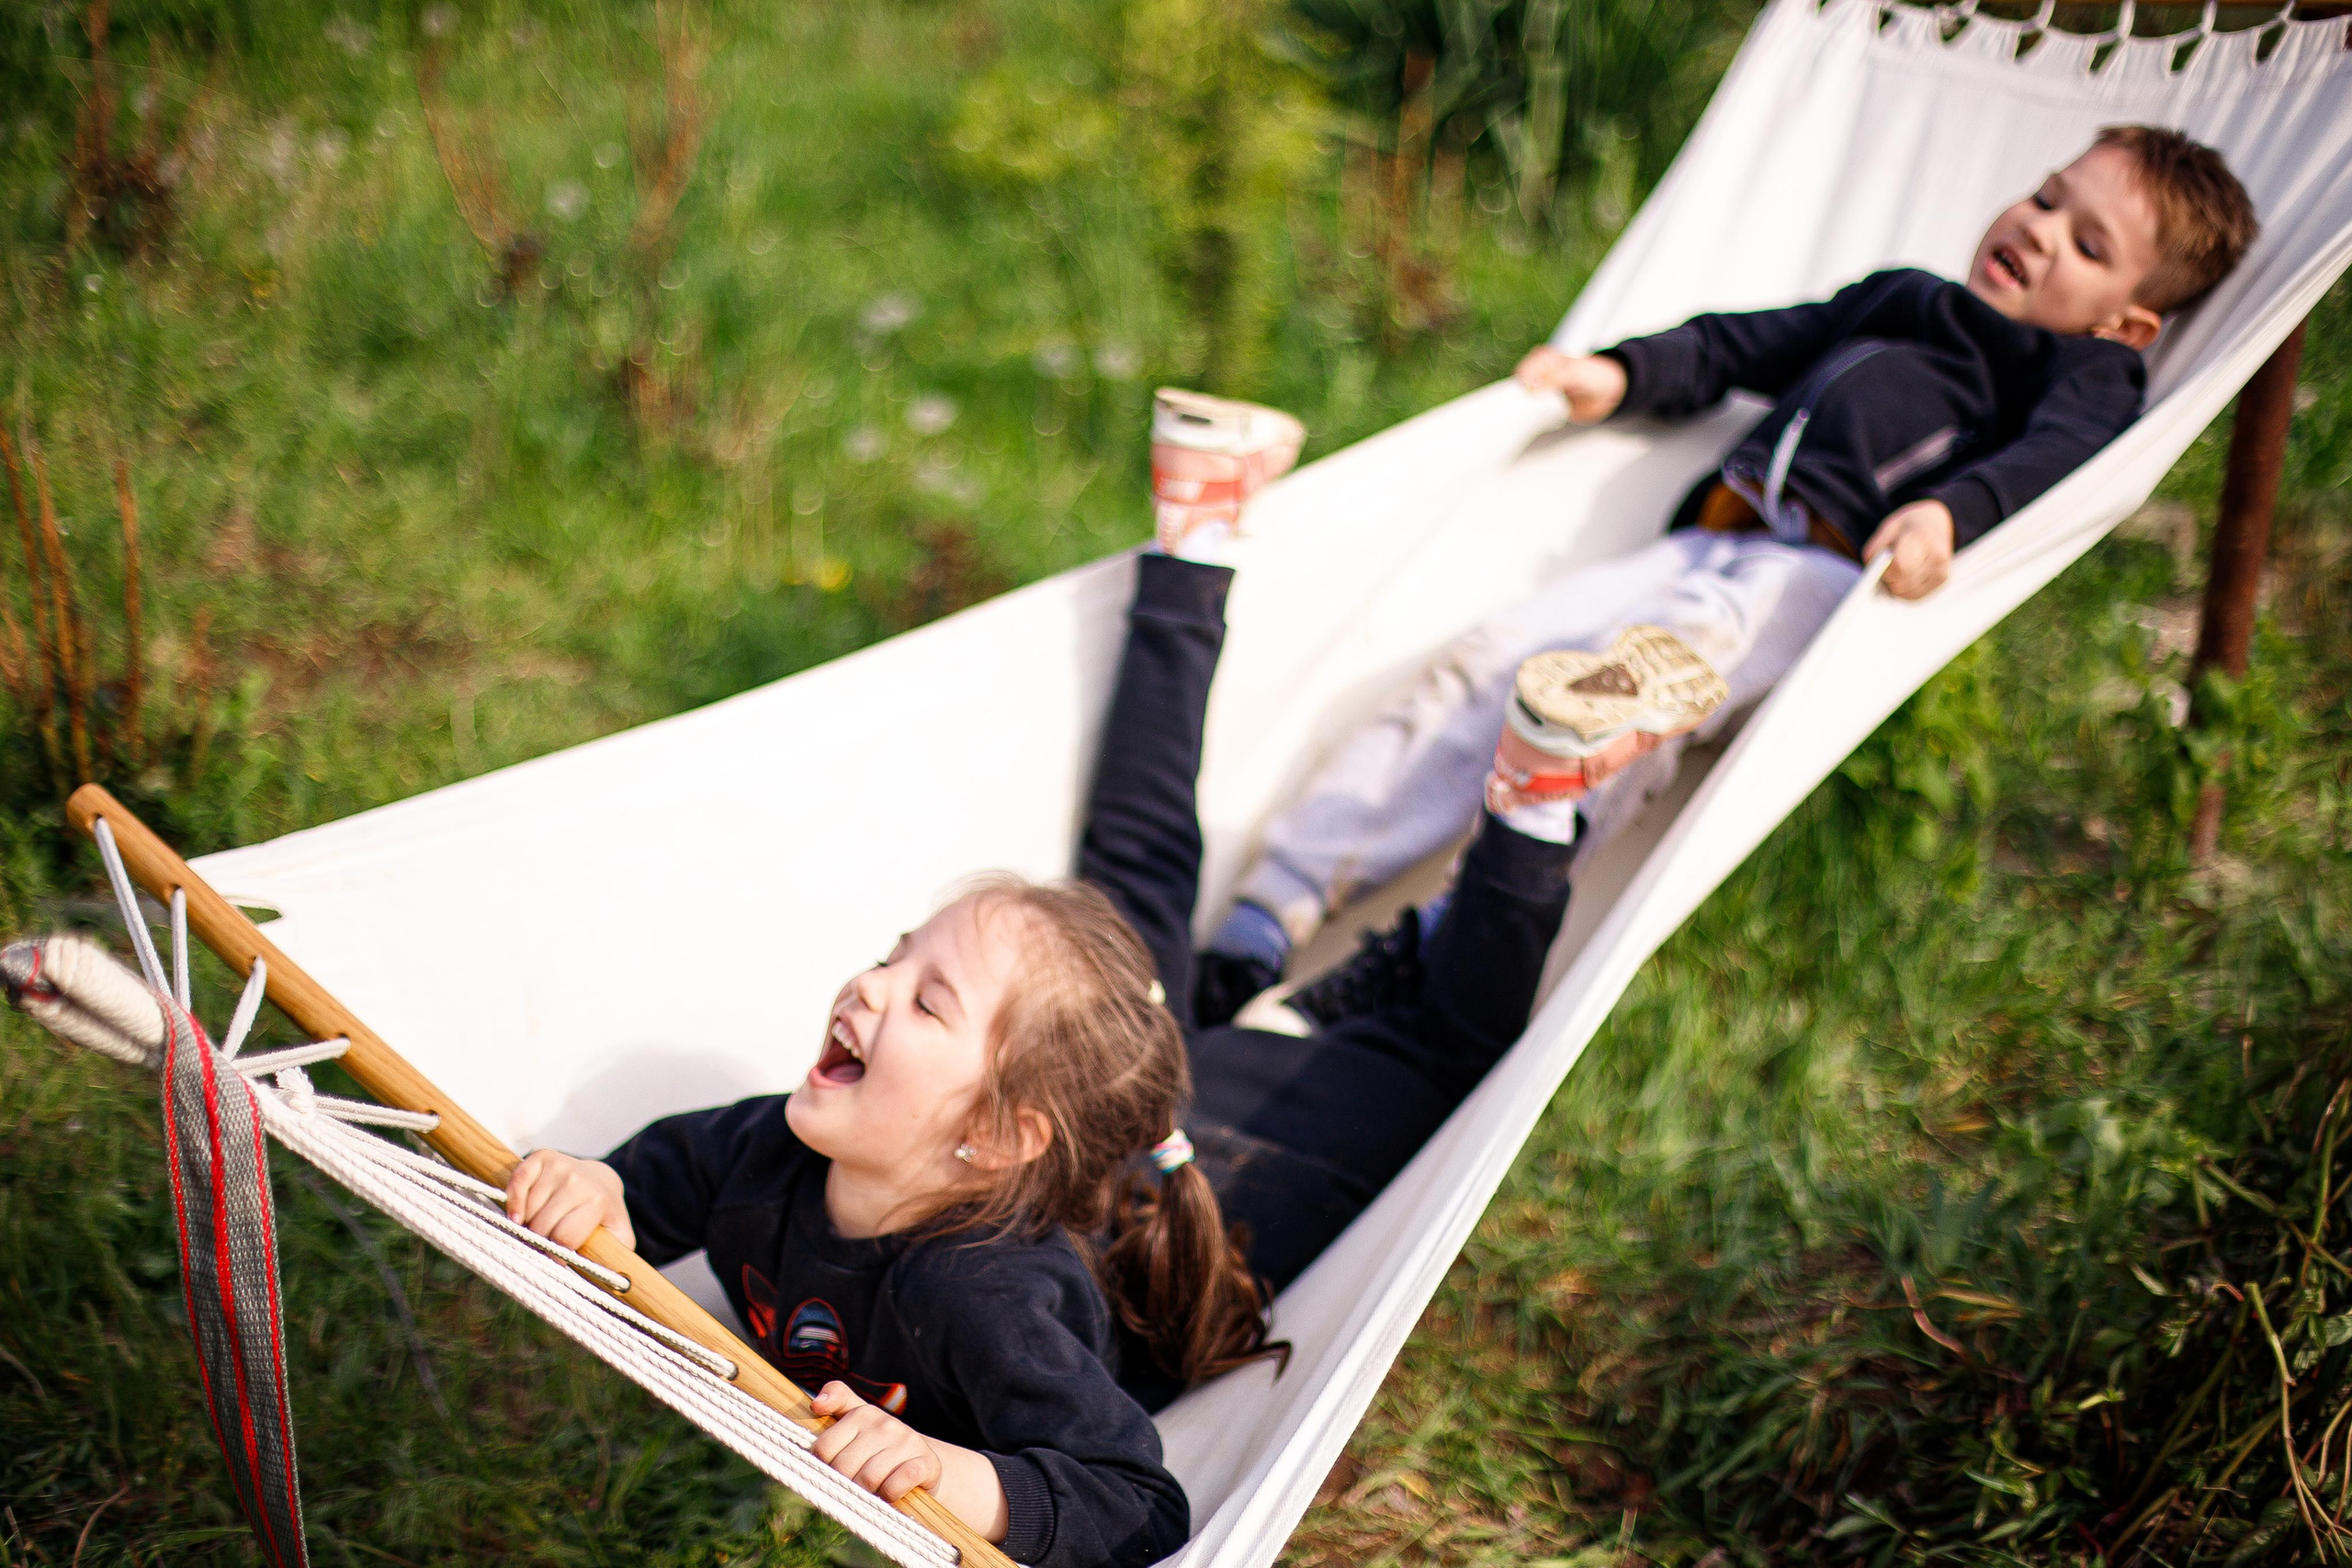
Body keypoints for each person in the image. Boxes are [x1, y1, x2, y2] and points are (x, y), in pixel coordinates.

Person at [497, 422, 1592, 1565]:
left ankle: (1528, 802)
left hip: (1233, 1174)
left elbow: (1137, 1503)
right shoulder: (774, 1148)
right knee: (1126, 894)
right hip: (1115, 1117)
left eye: (925, 1000)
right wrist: (598, 1190)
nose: (869, 986)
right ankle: (1204, 549)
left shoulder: (992, 1300)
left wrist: (966, 1484)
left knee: (1446, 1053)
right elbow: (651, 1187)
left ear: (995, 1131)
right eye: (893, 958)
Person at [1194, 125, 2259, 1029]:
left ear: (2127, 321)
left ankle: (1443, 942)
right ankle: (1268, 910)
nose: (2034, 228)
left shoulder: (2077, 370)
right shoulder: (1902, 299)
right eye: (2043, 197)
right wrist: (1622, 372)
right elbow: (1749, 343)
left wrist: (1947, 512)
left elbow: (2057, 457)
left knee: (1626, 704)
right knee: (1491, 664)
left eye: (2084, 242)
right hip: (1710, 544)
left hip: (1823, 585)